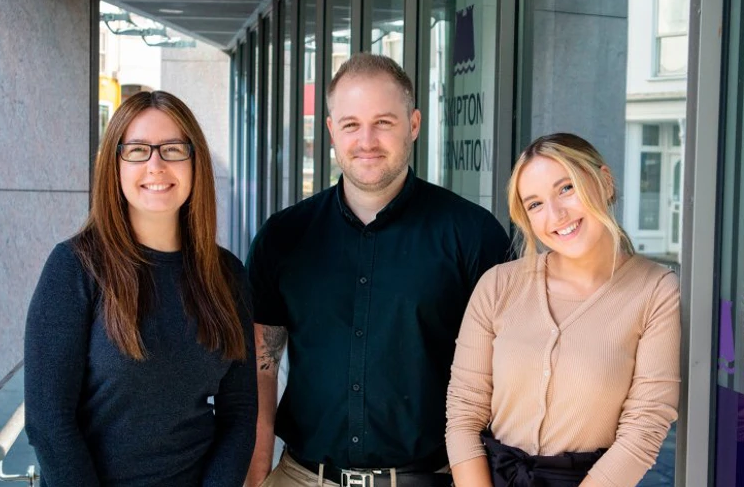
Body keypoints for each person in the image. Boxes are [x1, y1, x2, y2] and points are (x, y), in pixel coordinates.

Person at [245, 53, 511, 486]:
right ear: (331, 131)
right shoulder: (284, 236)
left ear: (414, 125)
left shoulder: (472, 234)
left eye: (384, 122)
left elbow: (511, 370)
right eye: (351, 124)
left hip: (432, 478)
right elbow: (261, 367)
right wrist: (257, 473)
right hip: (301, 476)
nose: (366, 140)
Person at [24, 91, 257, 487]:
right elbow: (48, 422)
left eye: (172, 149)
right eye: (137, 150)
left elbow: (239, 410)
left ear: (194, 161)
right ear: (114, 165)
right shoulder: (75, 268)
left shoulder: (226, 274)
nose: (156, 165)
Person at [446, 133, 681, 487]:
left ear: (604, 181)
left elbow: (644, 429)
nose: (555, 214)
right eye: (535, 204)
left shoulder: (656, 291)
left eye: (566, 188)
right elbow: (464, 412)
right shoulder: (498, 285)